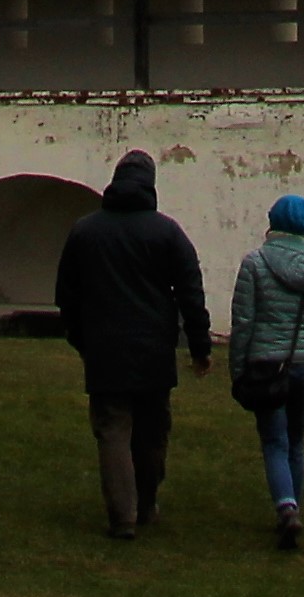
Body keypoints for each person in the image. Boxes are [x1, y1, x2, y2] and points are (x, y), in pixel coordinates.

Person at [50, 147, 212, 537]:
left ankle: (122, 514)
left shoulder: (85, 230)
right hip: (154, 347)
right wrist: (199, 345)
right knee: (153, 430)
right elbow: (191, 291)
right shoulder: (167, 231)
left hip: (104, 347)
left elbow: (66, 294)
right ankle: (148, 500)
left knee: (112, 429)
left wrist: (79, 337)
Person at [229, 191, 304, 549]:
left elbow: (244, 321)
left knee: (274, 440)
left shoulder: (255, 264)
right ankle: (294, 506)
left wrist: (238, 369)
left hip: (267, 361)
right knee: (297, 441)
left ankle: (286, 507)